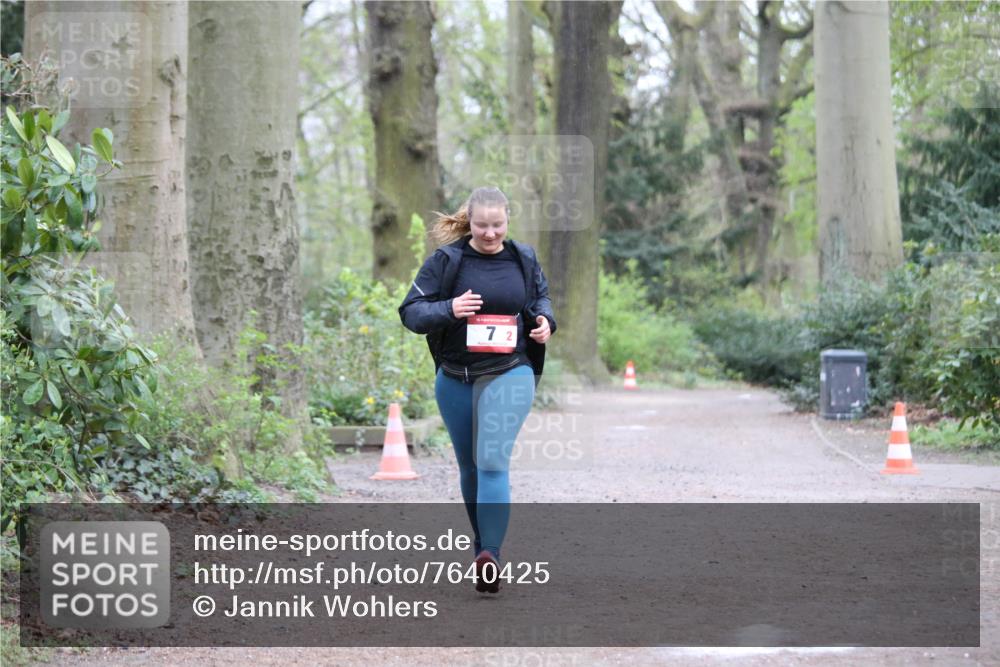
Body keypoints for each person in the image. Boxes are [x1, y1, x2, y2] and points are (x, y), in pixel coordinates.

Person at [398, 186, 556, 594]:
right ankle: (481, 549)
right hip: (455, 377)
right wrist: (449, 309)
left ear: (508, 220)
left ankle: (491, 555)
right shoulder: (447, 261)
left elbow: (540, 300)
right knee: (469, 468)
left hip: (510, 370)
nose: (490, 234)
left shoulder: (523, 257)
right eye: (482, 226)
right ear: (470, 221)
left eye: (497, 225)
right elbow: (411, 313)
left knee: (491, 460)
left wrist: (544, 324)